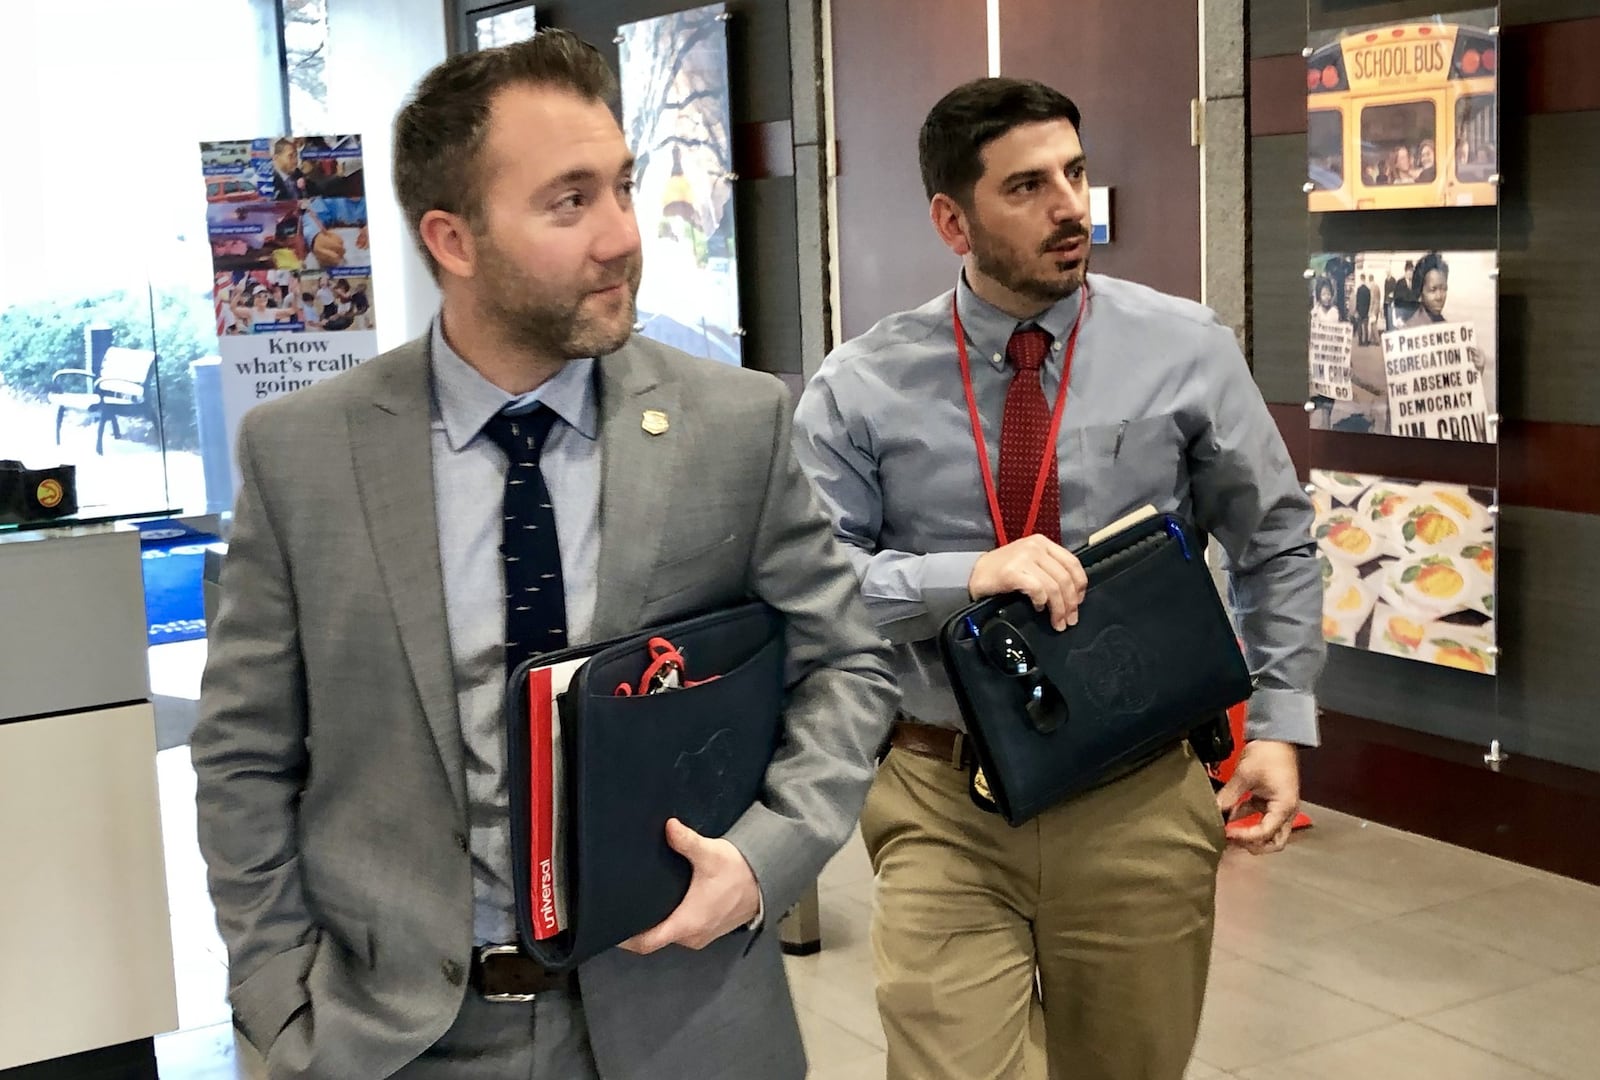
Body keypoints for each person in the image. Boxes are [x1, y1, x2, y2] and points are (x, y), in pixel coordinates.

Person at [193, 29, 898, 1080]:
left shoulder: (733, 424)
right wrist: (279, 1002)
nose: (622, 234)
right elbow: (245, 755)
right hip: (400, 1035)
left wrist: (765, 859)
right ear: (454, 238)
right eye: (569, 202)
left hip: (684, 1013)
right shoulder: (304, 455)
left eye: (621, 185)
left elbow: (845, 663)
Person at [793, 77, 1323, 1080]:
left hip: (1138, 797)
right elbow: (814, 589)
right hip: (942, 800)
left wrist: (1283, 719)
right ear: (952, 219)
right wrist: (966, 575)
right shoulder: (860, 385)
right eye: (1026, 186)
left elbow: (1275, 537)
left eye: (1075, 173)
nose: (1071, 207)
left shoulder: (1184, 350)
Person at [269, 137, 304, 202]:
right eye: (290, 156)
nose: (295, 161)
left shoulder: (299, 174)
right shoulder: (269, 180)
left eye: (296, 155)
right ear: (276, 158)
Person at [1354, 274, 1372, 346]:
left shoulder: (1359, 289)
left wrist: (1357, 310)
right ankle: (1366, 342)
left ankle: (1360, 341)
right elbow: (1369, 300)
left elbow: (1357, 300)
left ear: (1361, 279)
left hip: (1360, 310)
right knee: (1366, 327)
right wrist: (1368, 310)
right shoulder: (1368, 290)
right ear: (1365, 279)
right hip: (1366, 310)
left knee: (1359, 326)